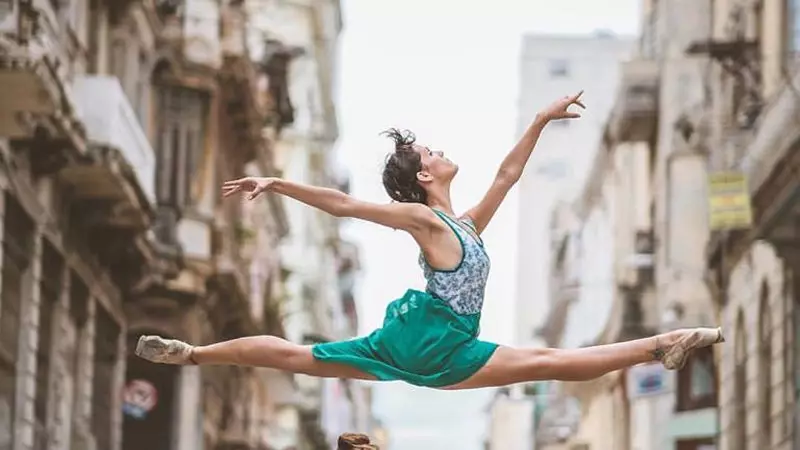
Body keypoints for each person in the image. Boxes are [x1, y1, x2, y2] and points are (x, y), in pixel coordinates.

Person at [135, 91, 724, 390]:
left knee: (301, 356)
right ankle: (664, 342)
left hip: (427, 341)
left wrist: (541, 122)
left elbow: (507, 176)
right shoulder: (423, 222)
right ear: (424, 177)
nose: (440, 152)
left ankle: (192, 354)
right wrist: (279, 181)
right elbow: (344, 205)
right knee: (549, 361)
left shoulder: (462, 226)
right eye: (431, 153)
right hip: (434, 342)